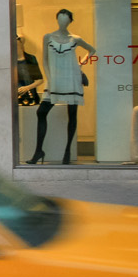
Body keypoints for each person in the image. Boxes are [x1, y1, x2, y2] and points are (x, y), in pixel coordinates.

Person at [30, 9, 97, 165]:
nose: (62, 23)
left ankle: (67, 151)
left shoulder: (75, 39)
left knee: (72, 114)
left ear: (70, 21)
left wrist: (80, 66)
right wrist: (49, 78)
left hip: (71, 79)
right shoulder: (48, 37)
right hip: (55, 80)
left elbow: (92, 50)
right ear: (57, 20)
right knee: (41, 112)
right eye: (60, 19)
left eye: (65, 20)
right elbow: (44, 61)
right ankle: (38, 151)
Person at [15, 35, 44, 106]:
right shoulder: (9, 61)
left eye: (18, 45)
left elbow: (40, 80)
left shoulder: (31, 59)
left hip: (31, 97)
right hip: (15, 98)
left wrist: (27, 87)